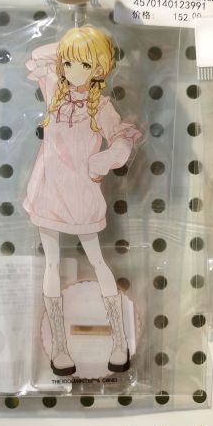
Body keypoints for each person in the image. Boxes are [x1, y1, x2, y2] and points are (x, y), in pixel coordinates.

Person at [23, 26, 141, 376]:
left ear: (100, 69)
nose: (74, 72)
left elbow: (122, 139)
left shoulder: (101, 107)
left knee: (99, 261)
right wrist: (76, 41)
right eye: (69, 63)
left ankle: (119, 343)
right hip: (47, 190)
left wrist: (103, 161)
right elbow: (38, 57)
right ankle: (60, 348)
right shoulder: (53, 90)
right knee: (51, 264)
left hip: (80, 194)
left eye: (84, 65)